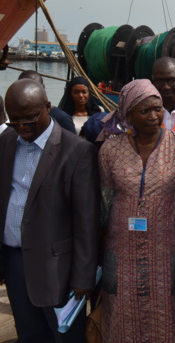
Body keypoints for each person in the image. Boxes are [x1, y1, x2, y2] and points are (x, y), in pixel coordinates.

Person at [98, 79, 175, 342]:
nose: (155, 116)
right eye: (145, 111)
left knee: (168, 323)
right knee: (120, 322)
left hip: (168, 255)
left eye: (158, 109)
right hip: (121, 257)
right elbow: (103, 207)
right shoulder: (110, 150)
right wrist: (96, 262)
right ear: (127, 114)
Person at [0, 79, 100, 342]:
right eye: (15, 120)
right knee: (29, 335)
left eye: (29, 120)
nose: (22, 127)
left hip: (59, 270)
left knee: (65, 337)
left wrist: (83, 277)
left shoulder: (77, 151)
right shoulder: (7, 141)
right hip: (14, 262)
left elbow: (87, 222)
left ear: (47, 107)